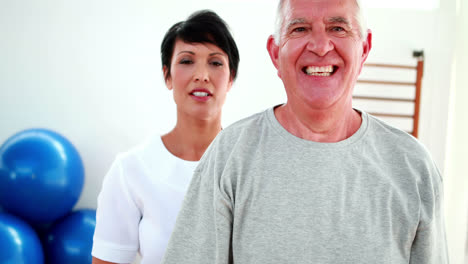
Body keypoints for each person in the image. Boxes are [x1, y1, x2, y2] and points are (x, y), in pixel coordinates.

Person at [161, 0, 449, 263]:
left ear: (364, 48)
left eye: (338, 28)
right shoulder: (229, 156)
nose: (321, 46)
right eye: (299, 29)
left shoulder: (413, 168)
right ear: (275, 53)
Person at [91, 10, 239, 264]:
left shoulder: (250, 164)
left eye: (215, 62)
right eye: (186, 61)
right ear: (167, 75)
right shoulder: (131, 170)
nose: (201, 75)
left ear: (231, 78)